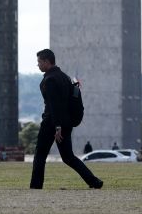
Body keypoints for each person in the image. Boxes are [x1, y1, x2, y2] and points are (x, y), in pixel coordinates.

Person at [30, 48, 103, 190]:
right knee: (68, 157)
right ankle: (94, 182)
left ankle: (36, 186)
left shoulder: (50, 80)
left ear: (46, 61)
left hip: (52, 123)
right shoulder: (65, 77)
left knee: (40, 155)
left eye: (39, 62)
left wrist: (57, 127)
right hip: (66, 123)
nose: (38, 65)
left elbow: (54, 105)